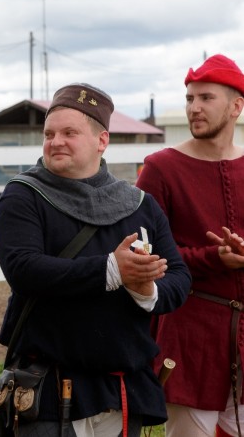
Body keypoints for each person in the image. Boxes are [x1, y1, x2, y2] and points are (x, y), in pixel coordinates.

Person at [0, 83, 191, 436]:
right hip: (51, 385)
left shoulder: (140, 205)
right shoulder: (23, 197)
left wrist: (147, 289)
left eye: (70, 133)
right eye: (50, 133)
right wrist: (110, 270)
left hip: (122, 387)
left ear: (102, 141)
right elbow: (24, 269)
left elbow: (178, 276)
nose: (56, 142)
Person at [136, 54, 244, 437]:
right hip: (189, 332)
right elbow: (144, 254)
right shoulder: (161, 167)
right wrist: (214, 258)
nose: (194, 108)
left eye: (206, 98)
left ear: (236, 107)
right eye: (189, 98)